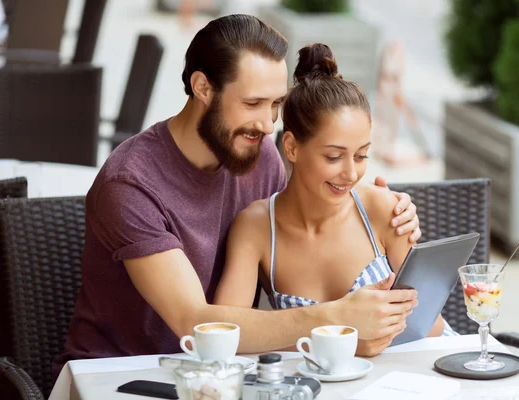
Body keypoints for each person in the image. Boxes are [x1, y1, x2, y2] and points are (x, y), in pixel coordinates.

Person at [52, 15, 422, 379]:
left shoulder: (259, 156)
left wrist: (382, 209)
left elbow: (290, 239)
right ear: (202, 88)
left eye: (275, 104)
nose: (267, 124)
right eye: (252, 103)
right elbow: (195, 322)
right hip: (122, 375)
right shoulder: (130, 184)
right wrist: (336, 319)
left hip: (221, 372)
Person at [215, 44, 451, 356]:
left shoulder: (384, 210)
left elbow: (431, 326)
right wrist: (349, 341)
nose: (351, 173)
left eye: (362, 155)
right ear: (292, 148)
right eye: (334, 156)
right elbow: (225, 333)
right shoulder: (257, 228)